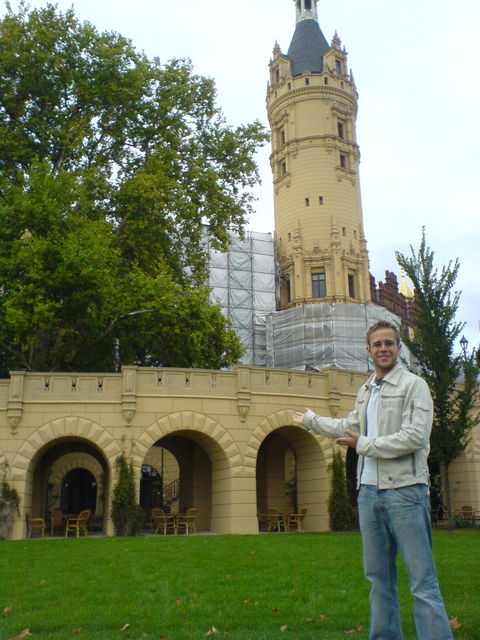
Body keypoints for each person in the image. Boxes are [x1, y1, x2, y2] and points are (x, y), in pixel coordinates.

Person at [292, 320, 453, 640]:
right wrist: (312, 421)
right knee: (378, 580)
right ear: (368, 351)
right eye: (377, 344)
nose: (383, 349)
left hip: (405, 491)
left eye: (389, 343)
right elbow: (348, 426)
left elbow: (414, 438)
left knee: (422, 580)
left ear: (398, 348)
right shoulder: (367, 390)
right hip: (369, 493)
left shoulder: (414, 386)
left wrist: (363, 445)